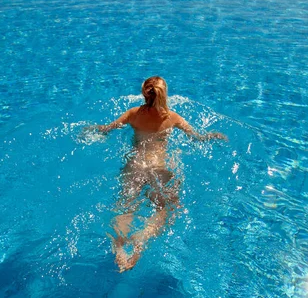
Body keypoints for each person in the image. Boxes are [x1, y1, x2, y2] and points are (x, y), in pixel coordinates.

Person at [87, 76, 226, 272]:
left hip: (135, 165)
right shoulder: (173, 118)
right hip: (159, 168)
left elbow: (105, 130)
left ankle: (119, 249)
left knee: (126, 208)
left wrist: (91, 130)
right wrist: (212, 136)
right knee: (166, 210)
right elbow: (196, 137)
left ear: (144, 93)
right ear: (164, 94)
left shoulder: (132, 114)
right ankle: (142, 239)